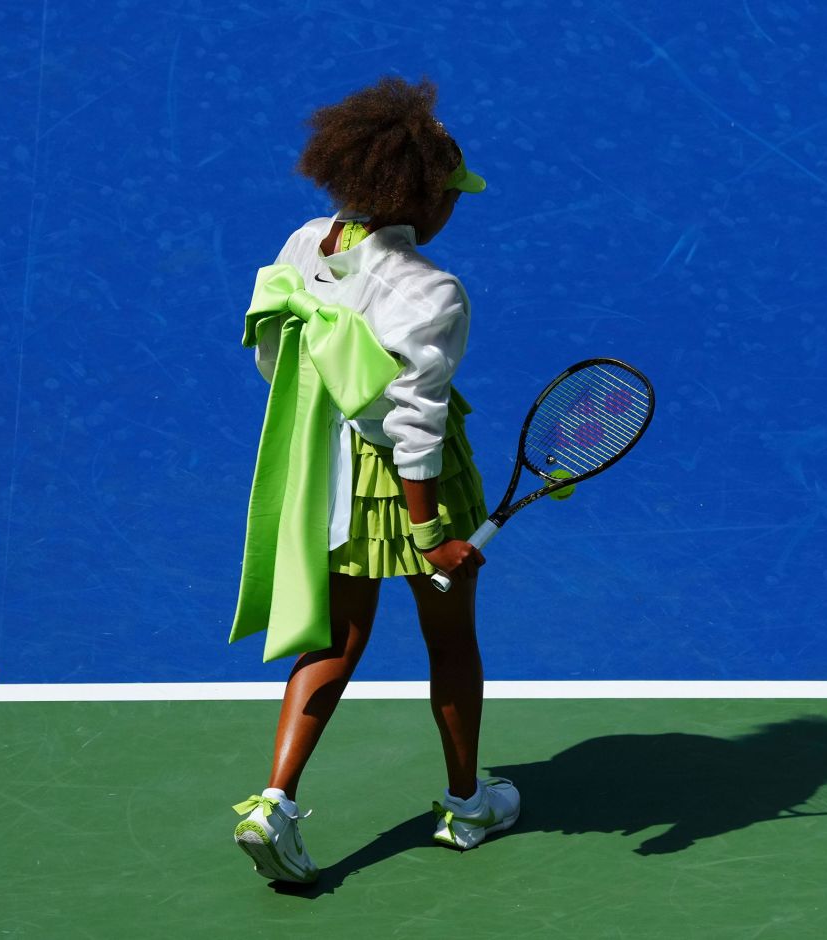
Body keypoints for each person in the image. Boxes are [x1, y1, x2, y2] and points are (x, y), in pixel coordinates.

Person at [227, 77, 518, 885]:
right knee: (450, 639)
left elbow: (279, 364)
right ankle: (467, 806)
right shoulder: (432, 293)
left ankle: (273, 803)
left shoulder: (304, 244)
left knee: (336, 638)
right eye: (450, 194)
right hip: (414, 489)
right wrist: (432, 535)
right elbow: (416, 427)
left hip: (330, 473)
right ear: (423, 198)